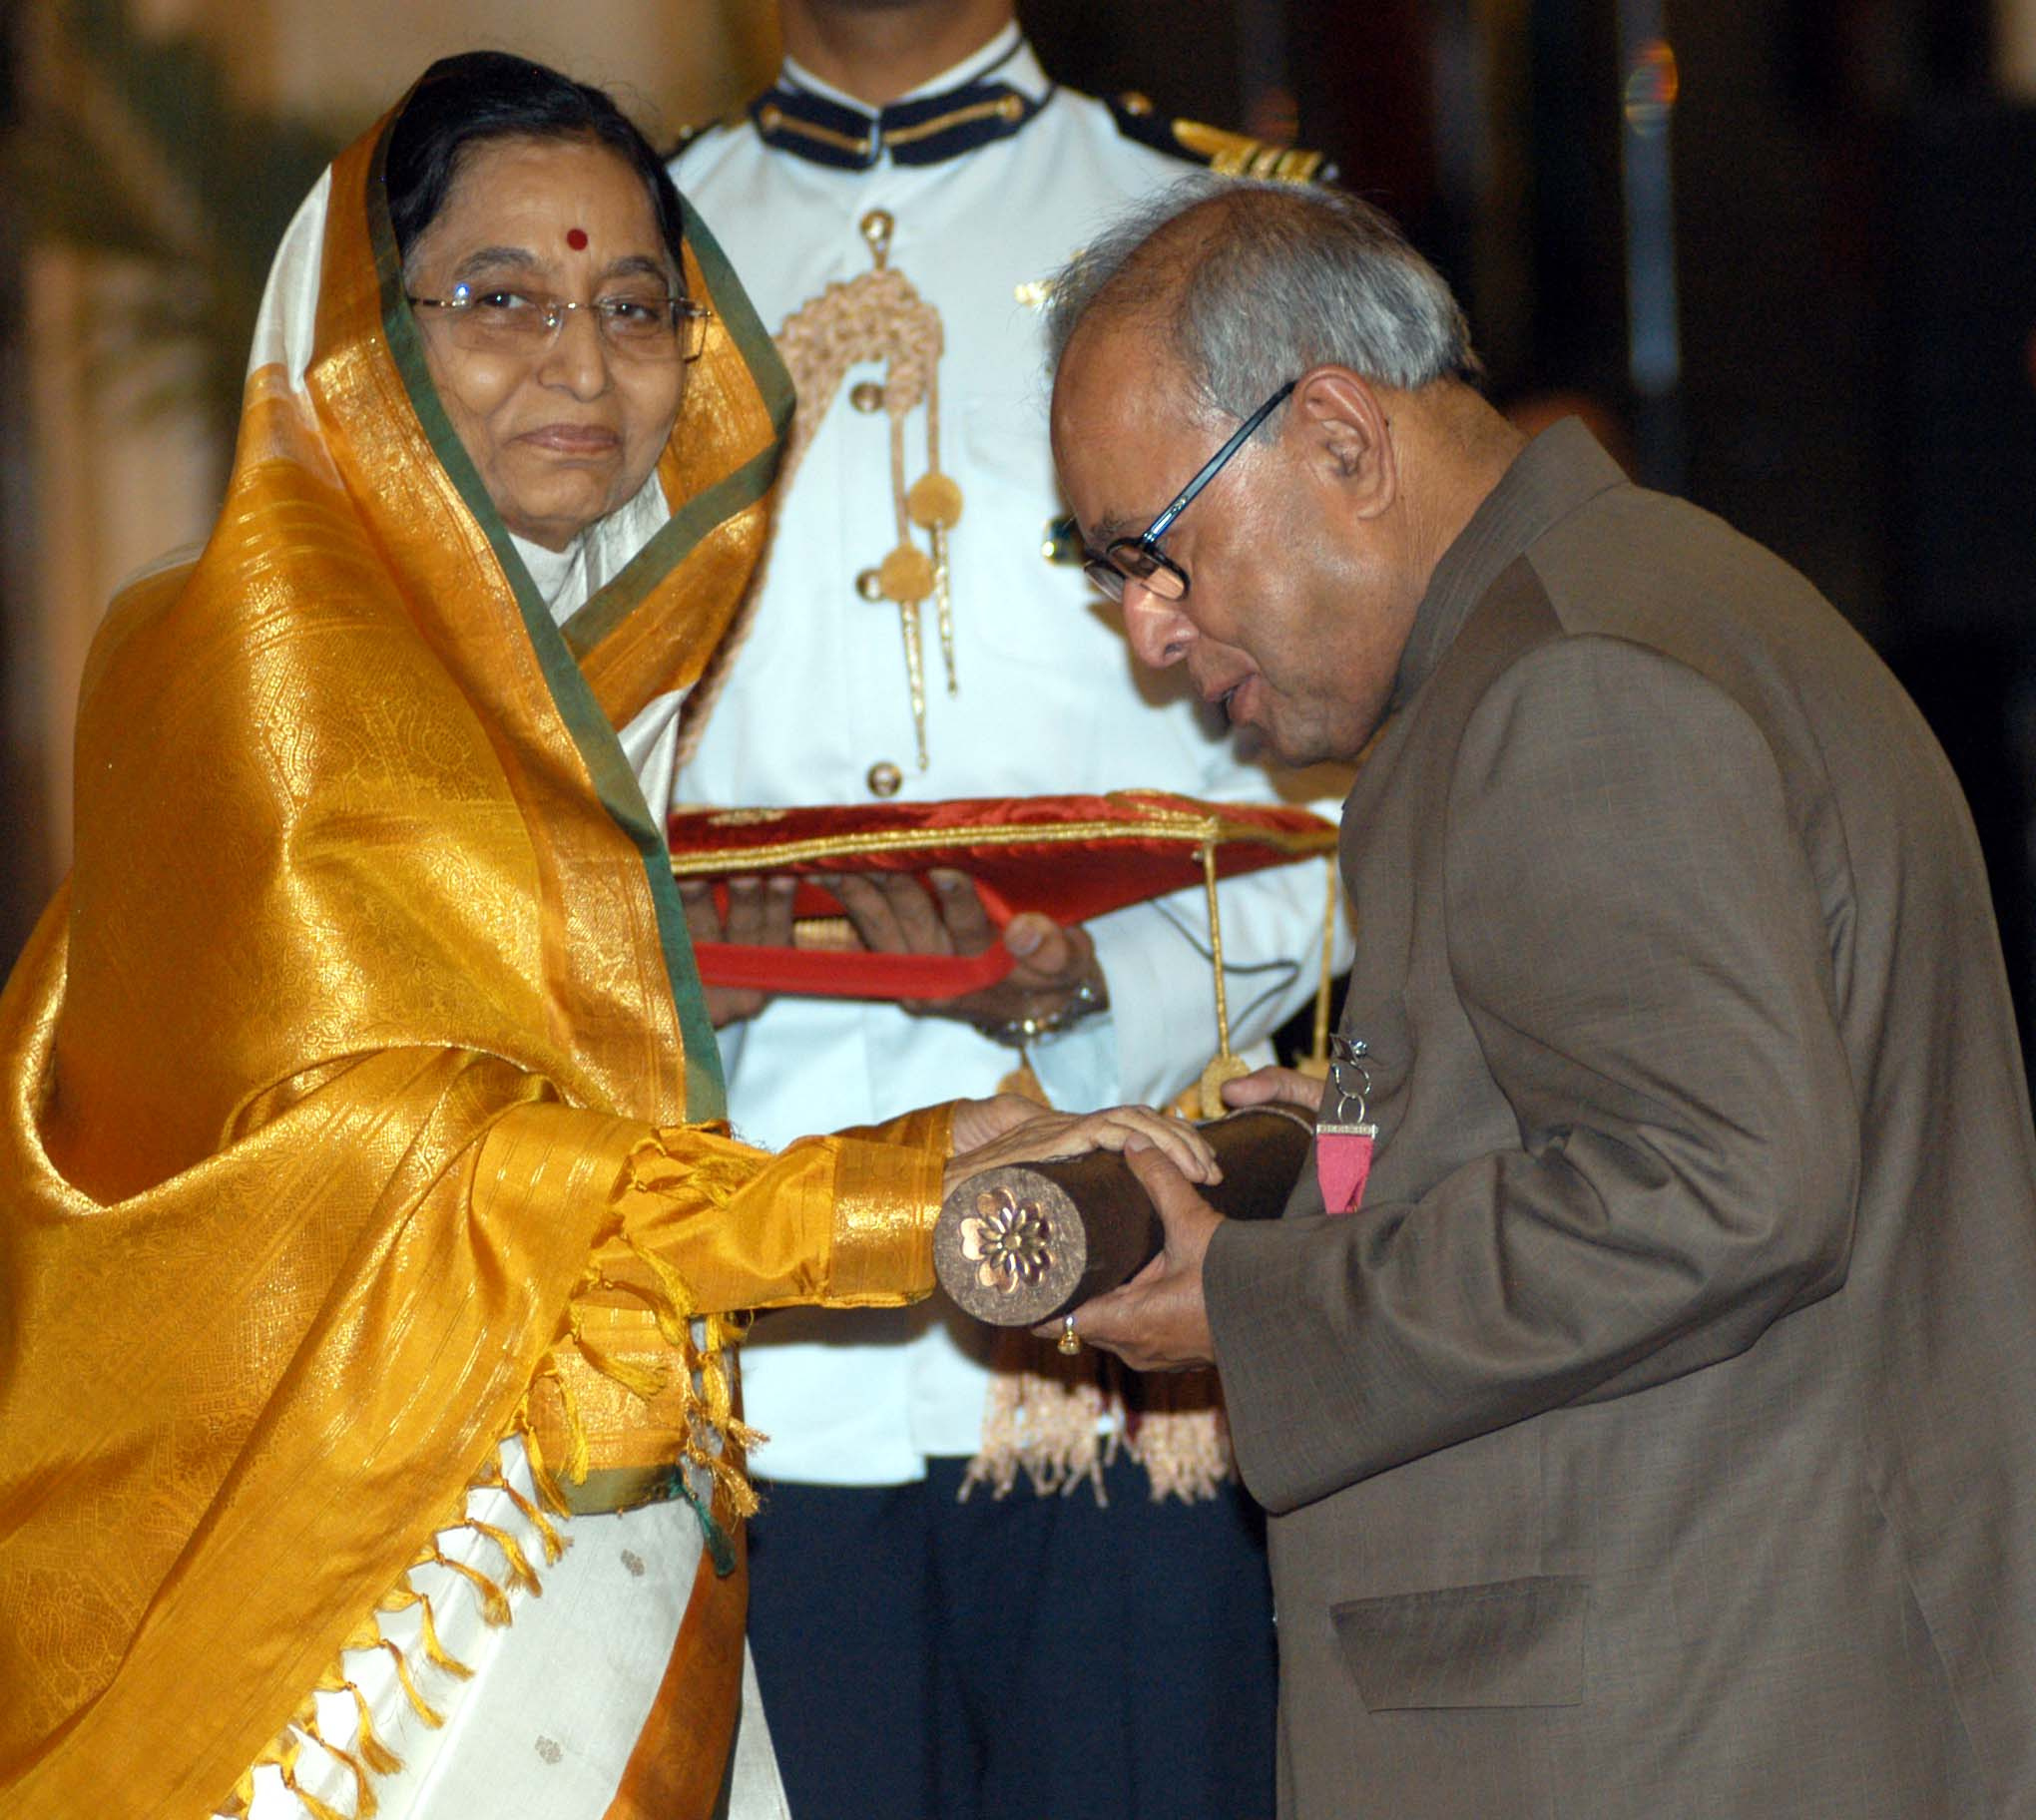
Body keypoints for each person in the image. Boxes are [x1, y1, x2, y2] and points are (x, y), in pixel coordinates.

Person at [0, 52, 1214, 1820]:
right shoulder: (277, 665)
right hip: (343, 1606)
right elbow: (436, 1173)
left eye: (636, 304)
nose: (583, 365)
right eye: (500, 299)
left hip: (539, 1529)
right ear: (364, 334)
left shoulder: (543, 681)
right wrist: (899, 1189)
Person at [1044, 175, 2036, 1817]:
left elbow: (1721, 1189)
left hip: (1684, 1722)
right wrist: (1369, 1125)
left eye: (1158, 554)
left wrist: (1251, 1305)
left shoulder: (1573, 685)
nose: (1152, 632)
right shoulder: (1619, 605)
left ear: (1342, 442)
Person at [665, 6, 1345, 1816]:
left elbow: (1339, 790)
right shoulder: (628, 262)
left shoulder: (1209, 231)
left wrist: (1087, 988)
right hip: (746, 1323)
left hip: (1115, 1290)